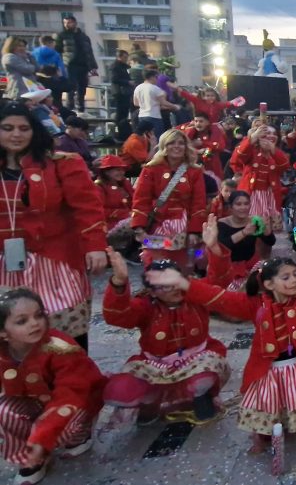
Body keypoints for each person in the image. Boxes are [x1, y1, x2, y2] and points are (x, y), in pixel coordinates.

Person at [146, 235, 296, 455]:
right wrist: (184, 283)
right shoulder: (254, 306)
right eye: (286, 277)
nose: (294, 281)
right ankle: (265, 434)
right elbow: (219, 299)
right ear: (269, 284)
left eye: (295, 276)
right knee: (268, 419)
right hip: (269, 372)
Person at [0, 103, 107, 347]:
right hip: (4, 263)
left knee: (66, 332)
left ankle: (73, 381)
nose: (16, 134)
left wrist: (95, 246)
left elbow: (87, 207)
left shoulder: (61, 163)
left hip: (55, 260)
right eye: (7, 128)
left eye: (23, 128)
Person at [101, 250, 229, 426]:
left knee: (203, 379)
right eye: (166, 285)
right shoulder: (145, 306)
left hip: (196, 360)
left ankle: (203, 402)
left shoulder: (195, 296)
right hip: (155, 365)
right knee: (121, 391)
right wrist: (119, 283)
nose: (175, 289)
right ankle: (149, 407)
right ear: (152, 292)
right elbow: (117, 316)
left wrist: (214, 248)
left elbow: (218, 281)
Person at [0, 289, 106, 484]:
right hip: (36, 402)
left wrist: (42, 436)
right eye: (22, 321)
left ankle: (80, 435)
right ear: (3, 333)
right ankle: (31, 459)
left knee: (67, 430)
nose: (34, 323)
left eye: (39, 315)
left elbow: (72, 394)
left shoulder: (60, 346)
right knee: (3, 411)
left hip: (75, 401)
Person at [130, 129, 207, 268]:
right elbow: (141, 200)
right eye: (171, 143)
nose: (176, 146)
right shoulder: (150, 169)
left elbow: (199, 203)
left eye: (181, 143)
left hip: (184, 227)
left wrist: (195, 231)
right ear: (164, 146)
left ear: (186, 147)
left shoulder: (194, 171)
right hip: (156, 225)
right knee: (153, 263)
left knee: (185, 265)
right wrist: (139, 228)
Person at [229, 125, 289, 231]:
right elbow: (239, 156)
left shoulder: (277, 153)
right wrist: (252, 138)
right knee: (251, 229)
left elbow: (284, 165)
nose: (271, 136)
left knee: (268, 232)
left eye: (274, 134)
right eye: (268, 133)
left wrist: (272, 149)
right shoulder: (251, 151)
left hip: (270, 196)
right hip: (251, 194)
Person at [216, 192, 276, 290]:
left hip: (251, 266)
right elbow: (222, 245)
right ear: (231, 207)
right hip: (228, 268)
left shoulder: (254, 221)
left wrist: (267, 229)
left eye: (246, 204)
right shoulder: (222, 223)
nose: (243, 207)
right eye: (238, 204)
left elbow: (271, 242)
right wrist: (244, 232)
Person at [54, 16, 98, 113]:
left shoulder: (84, 36)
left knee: (82, 87)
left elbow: (89, 52)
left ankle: (81, 108)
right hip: (70, 64)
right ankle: (70, 108)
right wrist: (58, 65)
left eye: (69, 22)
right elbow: (57, 51)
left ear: (75, 23)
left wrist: (93, 66)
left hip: (83, 65)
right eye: (65, 23)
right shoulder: (61, 35)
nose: (67, 25)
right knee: (71, 86)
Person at [183, 112, 227, 181]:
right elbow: (183, 147)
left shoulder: (214, 129)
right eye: (196, 121)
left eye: (201, 121)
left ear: (208, 122)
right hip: (193, 165)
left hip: (212, 167)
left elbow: (221, 146)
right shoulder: (190, 130)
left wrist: (202, 143)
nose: (198, 124)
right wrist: (197, 151)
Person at [133, 69, 176, 138]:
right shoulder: (155, 88)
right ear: (152, 77)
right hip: (154, 117)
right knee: (157, 138)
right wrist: (175, 106)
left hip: (141, 116)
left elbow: (135, 103)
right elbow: (164, 102)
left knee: (145, 138)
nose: (157, 80)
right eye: (156, 77)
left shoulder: (138, 88)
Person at [2, 37, 39, 102]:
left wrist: (30, 56)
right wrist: (30, 65)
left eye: (24, 46)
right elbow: (28, 69)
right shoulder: (9, 57)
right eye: (19, 46)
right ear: (11, 46)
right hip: (18, 91)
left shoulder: (24, 57)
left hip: (30, 90)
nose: (22, 48)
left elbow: (37, 68)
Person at [107, 50, 133, 141]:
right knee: (120, 113)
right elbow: (114, 79)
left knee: (124, 113)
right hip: (119, 92)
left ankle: (123, 130)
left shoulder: (124, 66)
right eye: (125, 57)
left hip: (125, 93)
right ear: (119, 57)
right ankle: (120, 131)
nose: (126, 59)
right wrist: (127, 82)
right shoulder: (114, 66)